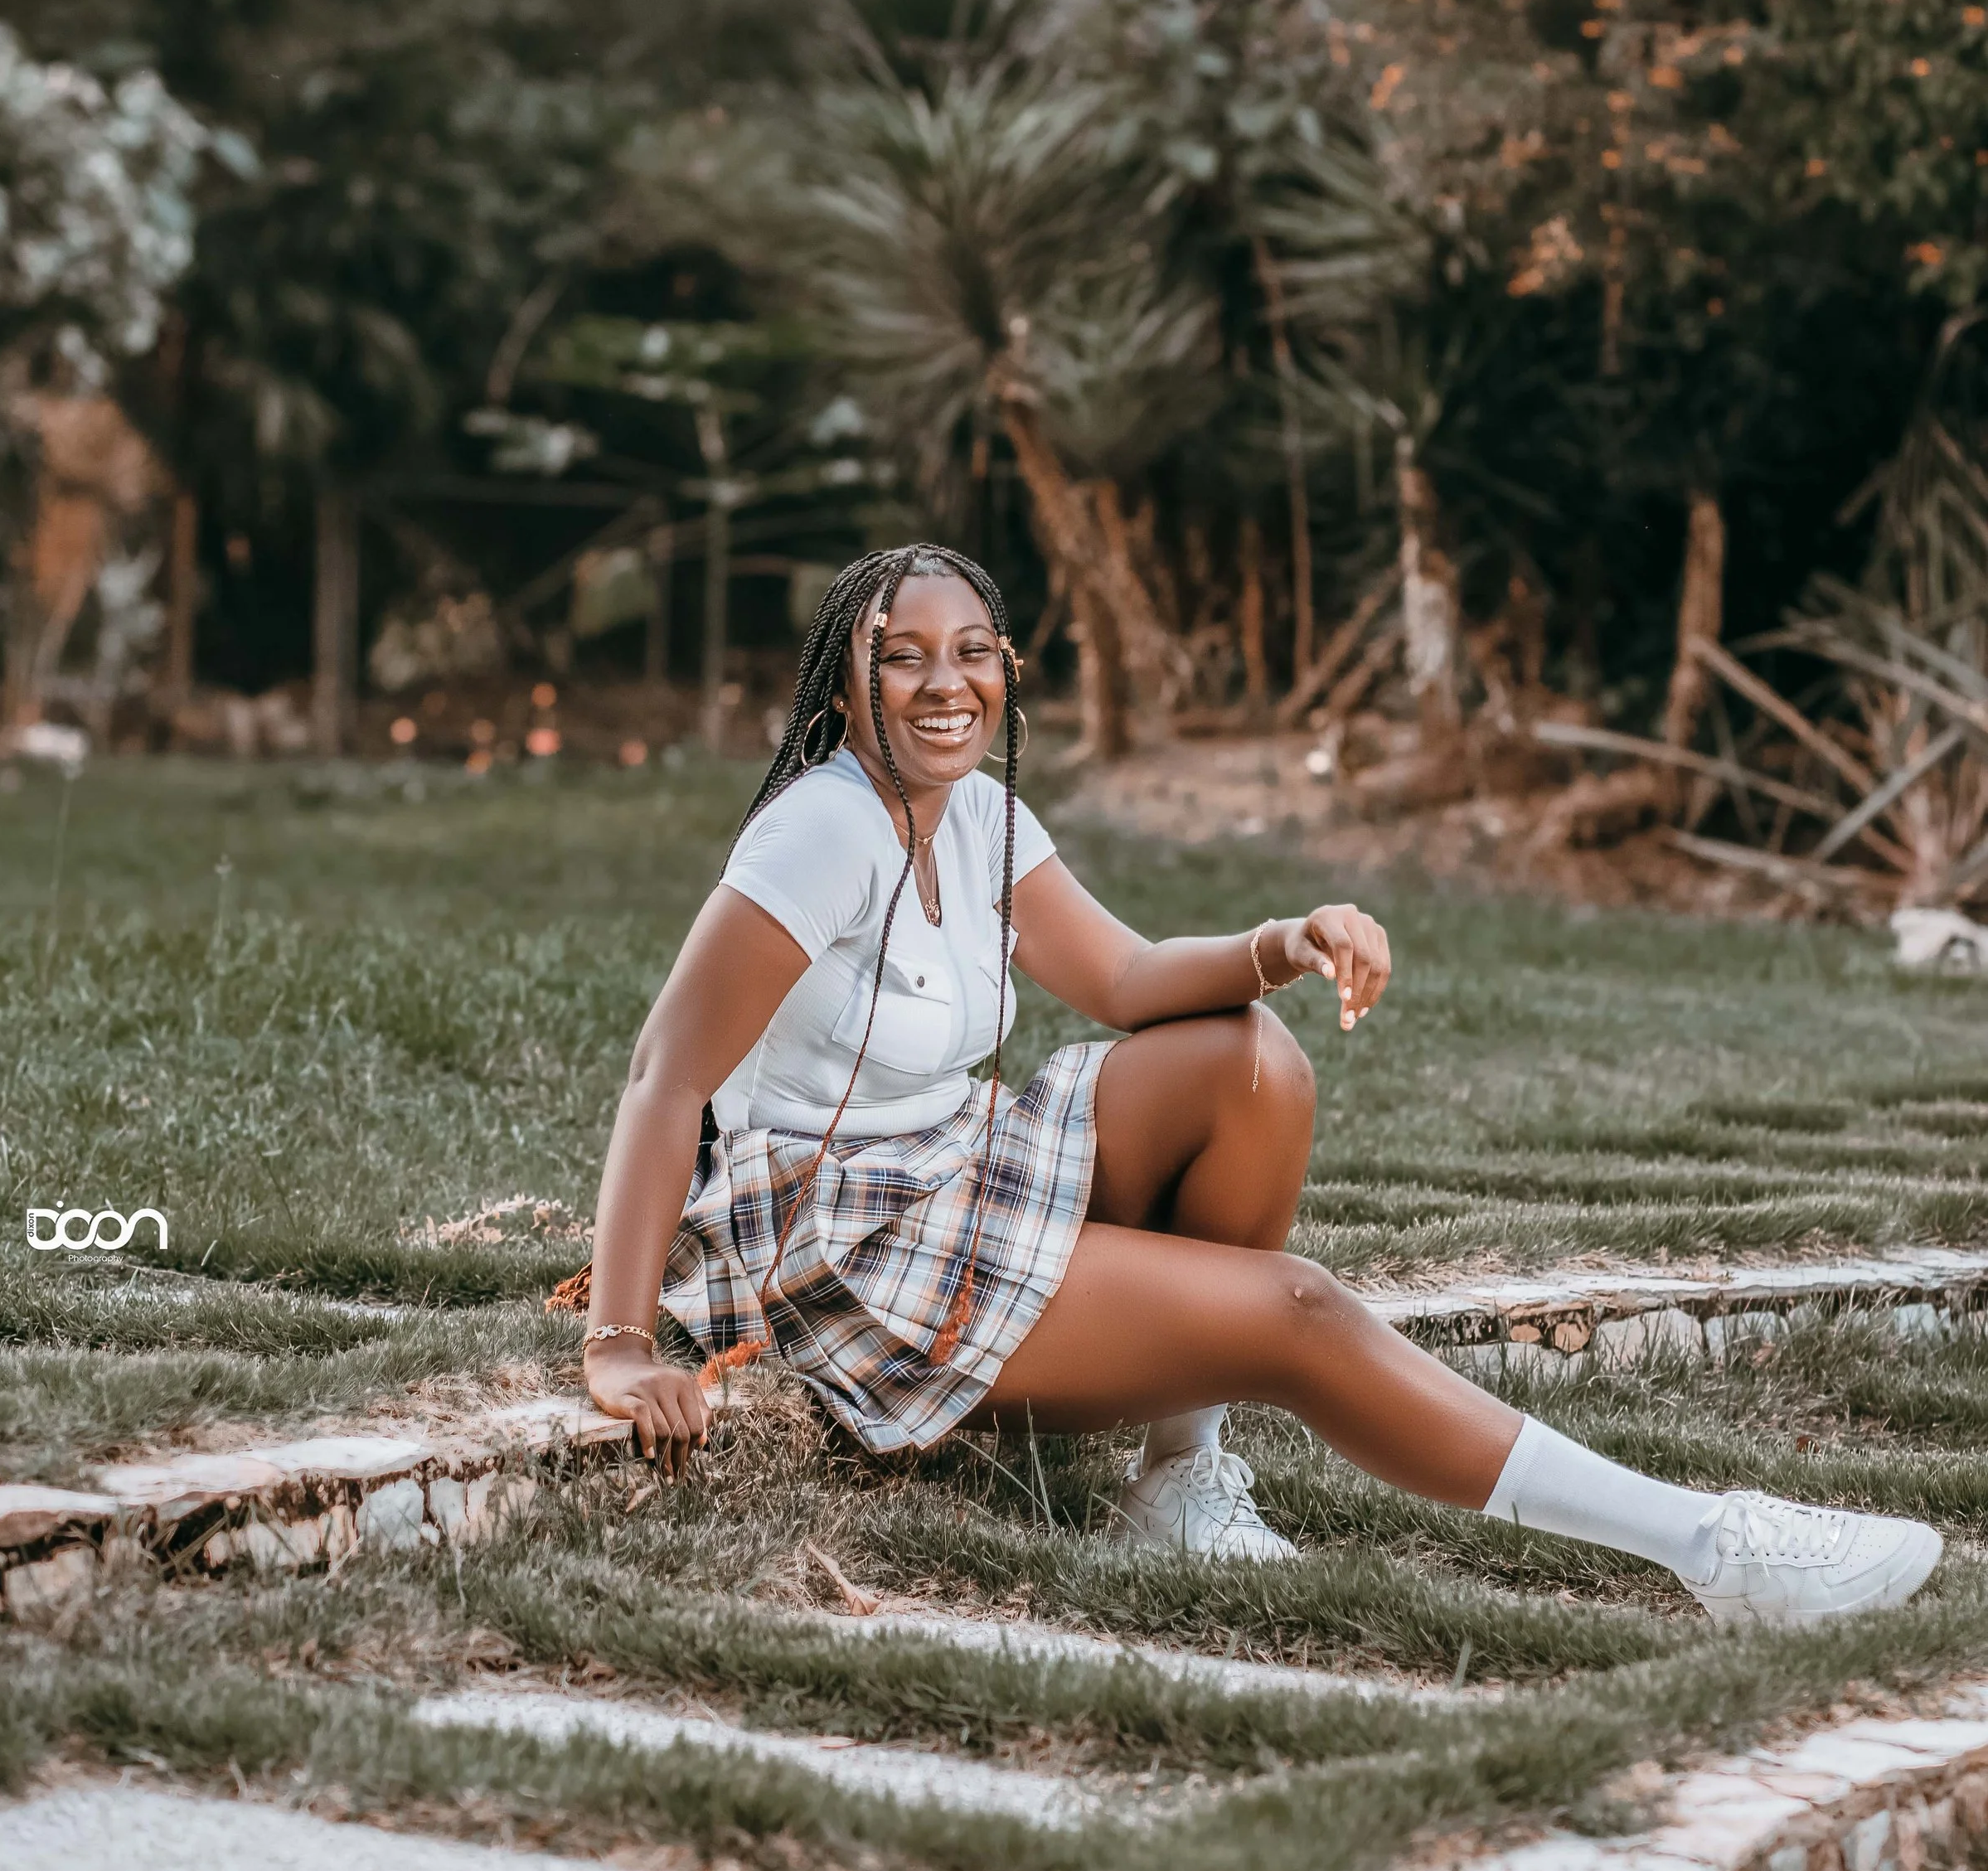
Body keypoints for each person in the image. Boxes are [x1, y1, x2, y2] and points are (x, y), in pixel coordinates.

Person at [579, 544, 1942, 1627]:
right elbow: (663, 1074)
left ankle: (1180, 1483)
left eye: (974, 652)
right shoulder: (819, 826)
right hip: (839, 1237)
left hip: (953, 1158)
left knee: (1248, 1061)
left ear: (1008, 674)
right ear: (842, 690)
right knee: (1291, 1316)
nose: (948, 683)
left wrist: (1285, 944)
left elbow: (1121, 978)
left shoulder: (983, 815)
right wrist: (625, 1344)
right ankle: (1710, 1546)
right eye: (904, 658)